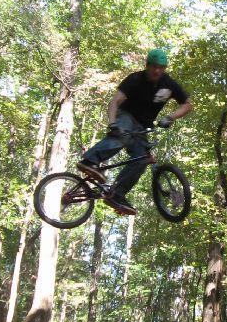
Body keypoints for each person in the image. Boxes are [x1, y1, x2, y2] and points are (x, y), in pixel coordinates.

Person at [77, 49, 193, 215]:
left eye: (161, 67)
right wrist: (113, 124)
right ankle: (89, 161)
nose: (157, 70)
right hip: (126, 116)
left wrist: (170, 117)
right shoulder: (135, 79)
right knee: (122, 135)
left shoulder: (169, 84)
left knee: (142, 159)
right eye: (154, 66)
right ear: (147, 66)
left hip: (142, 126)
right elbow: (114, 101)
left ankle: (117, 194)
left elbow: (187, 104)